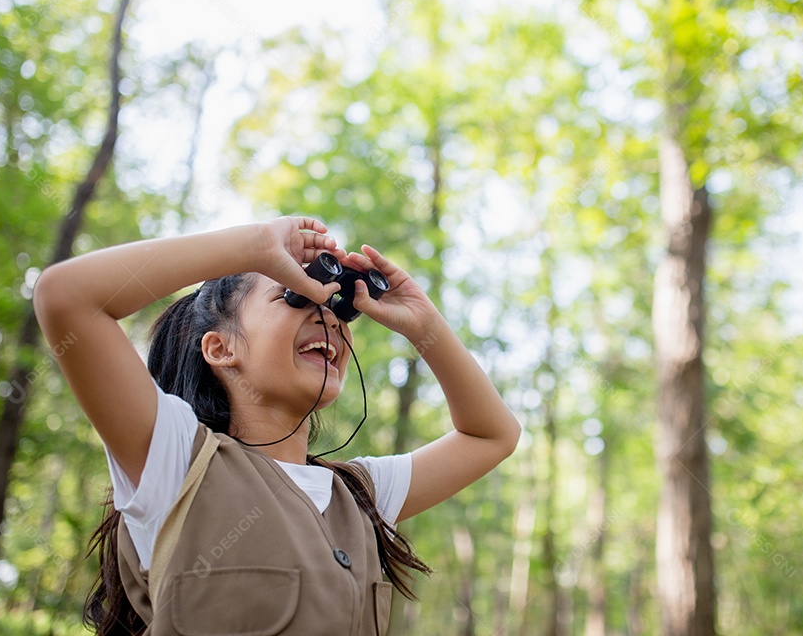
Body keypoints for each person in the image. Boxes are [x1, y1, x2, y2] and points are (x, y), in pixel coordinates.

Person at [32, 216, 521, 635]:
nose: (327, 317)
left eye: (336, 308)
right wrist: (257, 245)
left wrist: (422, 322)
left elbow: (493, 434)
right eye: (294, 295)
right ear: (221, 349)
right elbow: (66, 296)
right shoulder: (178, 460)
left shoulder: (359, 497)